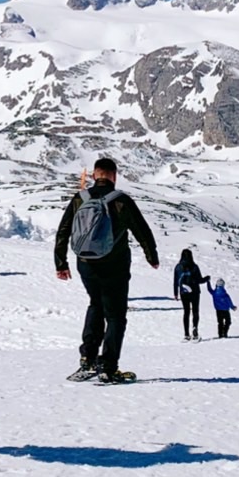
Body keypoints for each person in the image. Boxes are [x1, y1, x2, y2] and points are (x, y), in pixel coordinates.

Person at [54, 157, 160, 383]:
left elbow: (63, 231)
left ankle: (87, 361)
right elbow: (142, 230)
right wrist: (152, 257)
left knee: (95, 305)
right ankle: (108, 367)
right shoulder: (121, 200)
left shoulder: (79, 198)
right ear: (115, 176)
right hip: (115, 266)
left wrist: (61, 263)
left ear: (94, 175)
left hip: (86, 265)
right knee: (115, 316)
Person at [173, 249, 208, 341]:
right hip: (195, 292)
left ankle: (186, 334)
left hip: (183, 292)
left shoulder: (178, 267)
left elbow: (175, 281)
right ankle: (195, 329)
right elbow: (200, 280)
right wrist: (207, 278)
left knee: (186, 312)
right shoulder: (194, 266)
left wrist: (176, 293)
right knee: (195, 311)